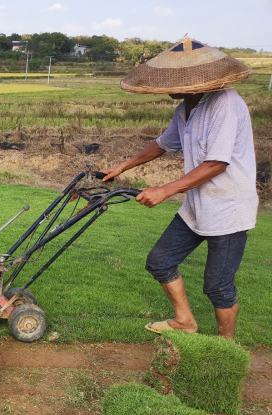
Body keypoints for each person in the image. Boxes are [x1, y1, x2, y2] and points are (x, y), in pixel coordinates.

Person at [103, 37, 257, 339]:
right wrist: (123, 167)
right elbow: (163, 144)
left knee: (218, 285)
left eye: (176, 80)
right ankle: (185, 320)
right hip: (197, 206)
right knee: (160, 261)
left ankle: (226, 345)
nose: (168, 87)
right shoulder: (187, 107)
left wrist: (164, 190)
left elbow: (216, 164)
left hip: (228, 209)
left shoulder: (225, 105)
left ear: (195, 81)